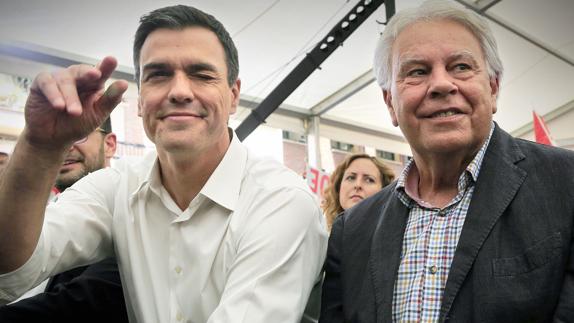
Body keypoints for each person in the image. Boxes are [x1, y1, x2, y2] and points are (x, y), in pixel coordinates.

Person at [0, 5, 327, 323]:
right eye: (158, 75)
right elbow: (14, 268)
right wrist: (40, 146)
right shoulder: (119, 187)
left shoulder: (281, 200)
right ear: (140, 101)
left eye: (201, 75)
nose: (180, 91)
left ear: (234, 95)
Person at [320, 0, 574, 322]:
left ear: (493, 88)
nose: (441, 84)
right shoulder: (353, 229)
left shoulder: (566, 184)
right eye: (417, 72)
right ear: (390, 103)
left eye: (461, 67)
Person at [0, 118, 128, 322]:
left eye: (79, 134)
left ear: (109, 144)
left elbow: (78, 304)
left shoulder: (128, 207)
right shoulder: (40, 211)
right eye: (55, 135)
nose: (66, 146)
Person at [322, 153, 395, 230]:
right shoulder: (324, 236)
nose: (358, 185)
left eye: (369, 180)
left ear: (384, 190)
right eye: (351, 178)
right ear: (338, 187)